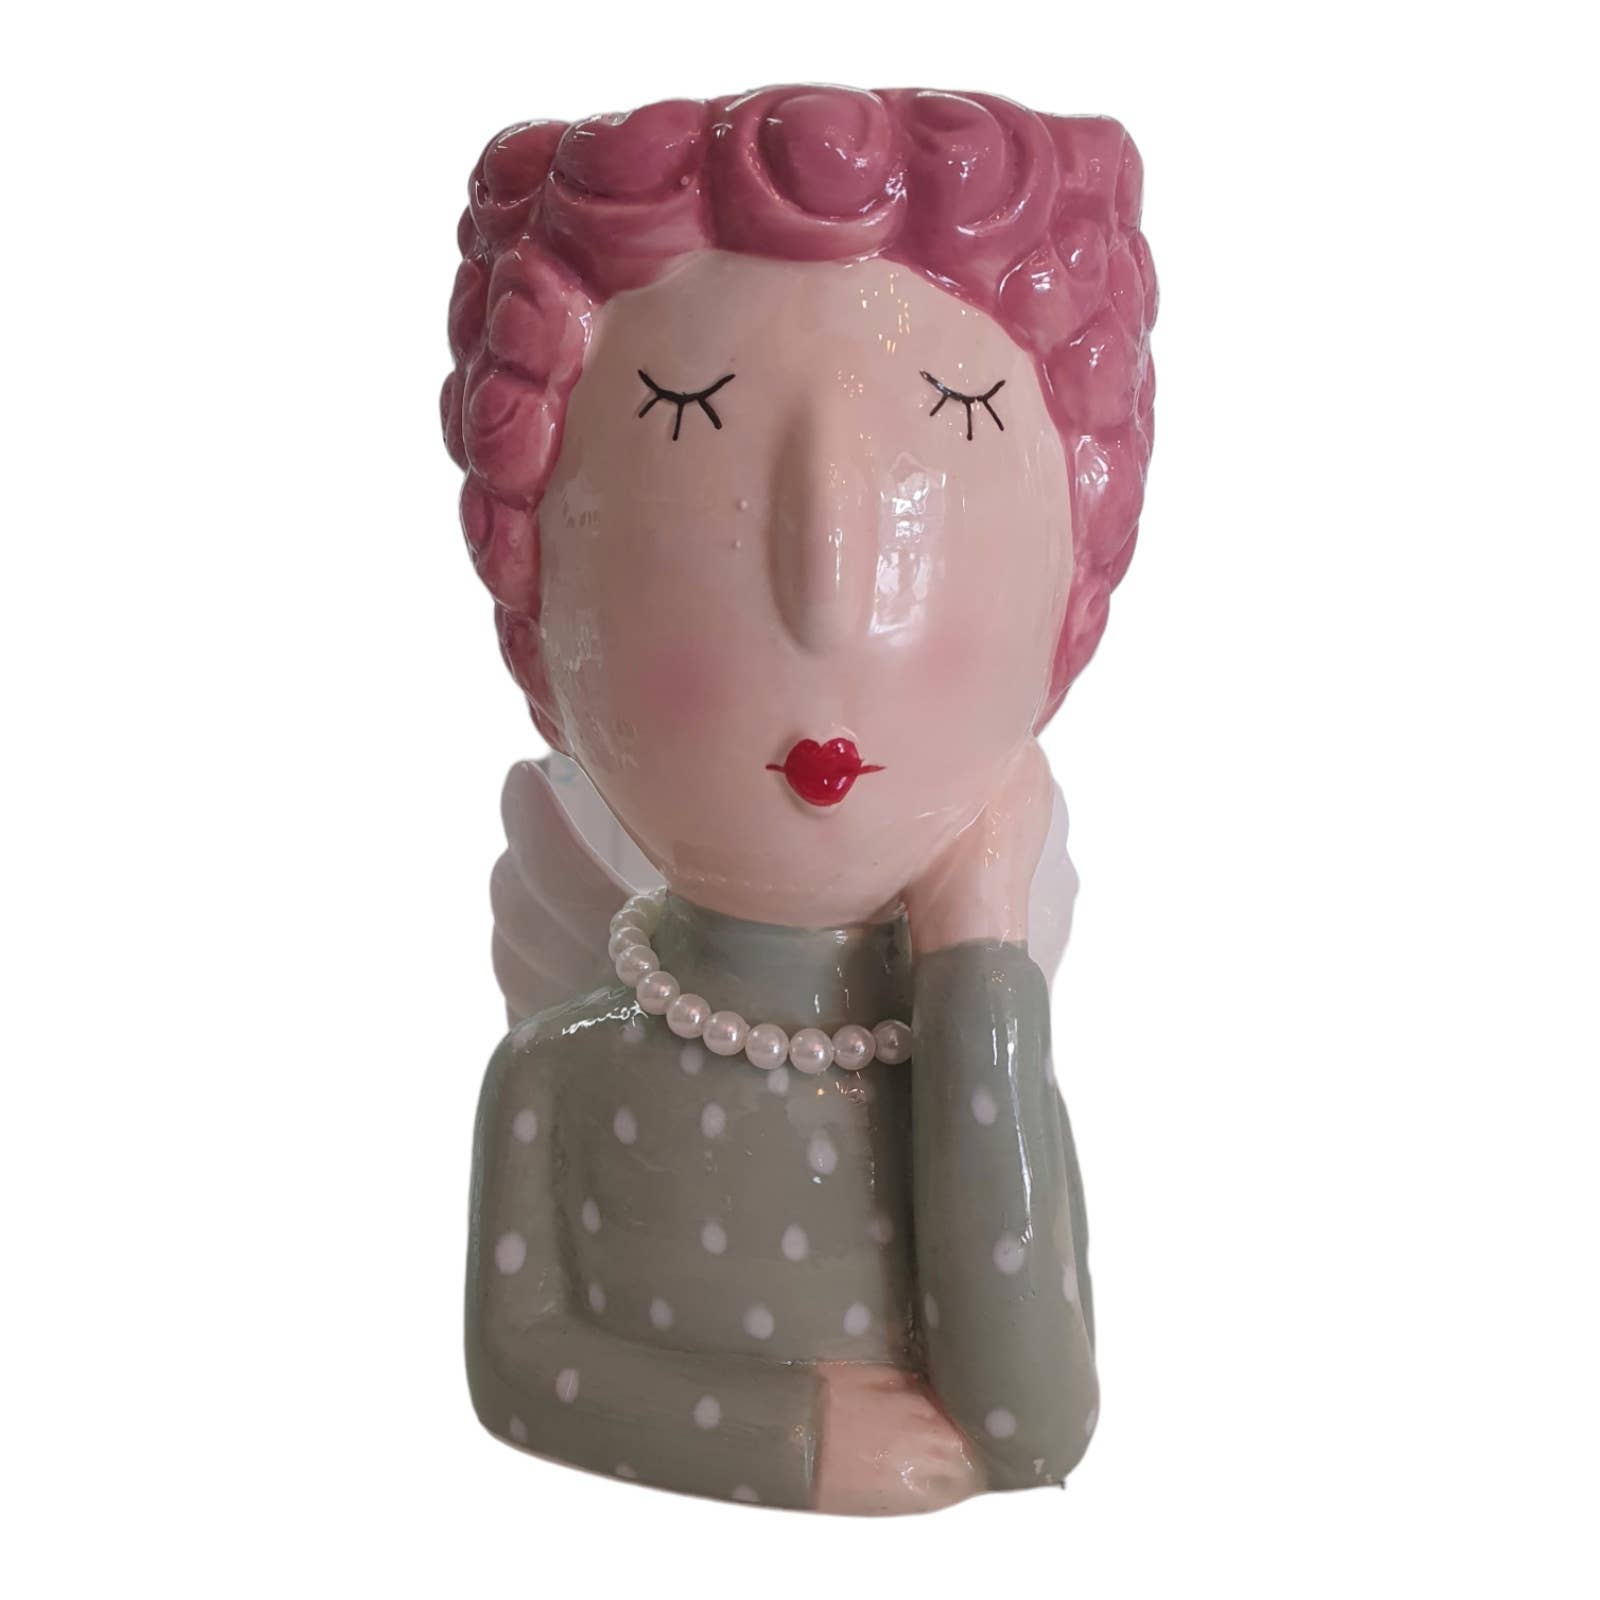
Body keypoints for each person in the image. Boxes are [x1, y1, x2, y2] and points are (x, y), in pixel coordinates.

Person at [440, 85, 1157, 1513]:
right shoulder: (561, 1077)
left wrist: (979, 962)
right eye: (684, 417)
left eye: (958, 416)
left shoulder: (966, 1052)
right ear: (542, 611)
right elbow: (520, 1370)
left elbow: (1032, 1424)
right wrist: (791, 1437)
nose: (833, 586)